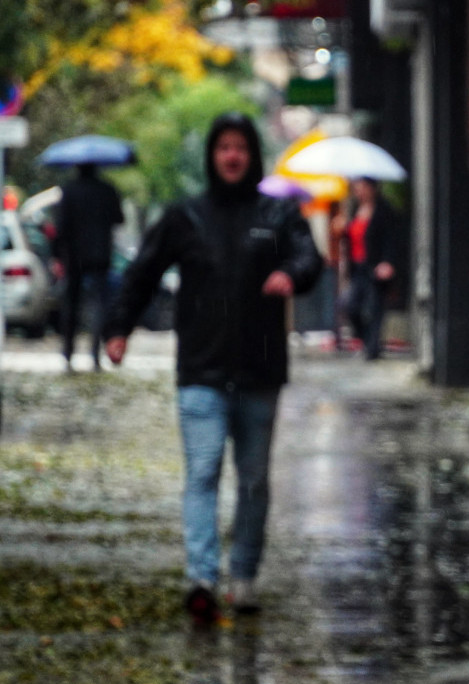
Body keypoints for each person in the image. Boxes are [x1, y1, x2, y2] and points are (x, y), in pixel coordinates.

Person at [104, 112, 324, 625]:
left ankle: (243, 577)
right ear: (212, 155)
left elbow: (308, 257)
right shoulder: (186, 216)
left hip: (259, 370)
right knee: (202, 474)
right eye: (222, 147)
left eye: (240, 147)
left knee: (253, 481)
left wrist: (291, 274)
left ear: (251, 155)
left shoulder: (277, 215)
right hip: (201, 370)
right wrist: (118, 328)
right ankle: (201, 577)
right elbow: (143, 273)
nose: (231, 156)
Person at [55, 163, 124, 372]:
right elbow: (119, 218)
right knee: (100, 305)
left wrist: (58, 255)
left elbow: (61, 225)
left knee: (72, 304)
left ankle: (68, 352)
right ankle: (95, 352)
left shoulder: (68, 190)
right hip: (100, 254)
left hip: (74, 256)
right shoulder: (107, 190)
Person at [335, 177, 399, 360]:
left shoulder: (384, 210)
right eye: (357, 187)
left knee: (375, 307)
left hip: (375, 266)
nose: (359, 191)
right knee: (350, 305)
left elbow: (391, 239)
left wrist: (388, 262)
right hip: (357, 267)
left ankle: (372, 349)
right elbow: (353, 237)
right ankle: (366, 341)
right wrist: (342, 230)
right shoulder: (355, 209)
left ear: (372, 188)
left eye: (362, 187)